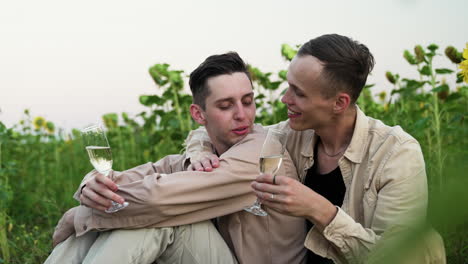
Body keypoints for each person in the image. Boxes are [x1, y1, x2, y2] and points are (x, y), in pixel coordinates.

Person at [185, 34, 446, 263]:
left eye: (299, 93)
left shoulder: (396, 154)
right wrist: (201, 151)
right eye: (288, 86)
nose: (285, 99)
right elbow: (226, 130)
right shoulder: (289, 135)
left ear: (339, 103)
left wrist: (318, 209)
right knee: (177, 229)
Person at [46, 52, 307, 264]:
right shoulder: (200, 157)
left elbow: (156, 199)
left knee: (156, 221)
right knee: (121, 215)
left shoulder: (262, 152)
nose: (242, 115)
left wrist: (76, 217)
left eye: (248, 101)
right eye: (226, 106)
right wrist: (91, 185)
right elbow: (119, 180)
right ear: (198, 114)